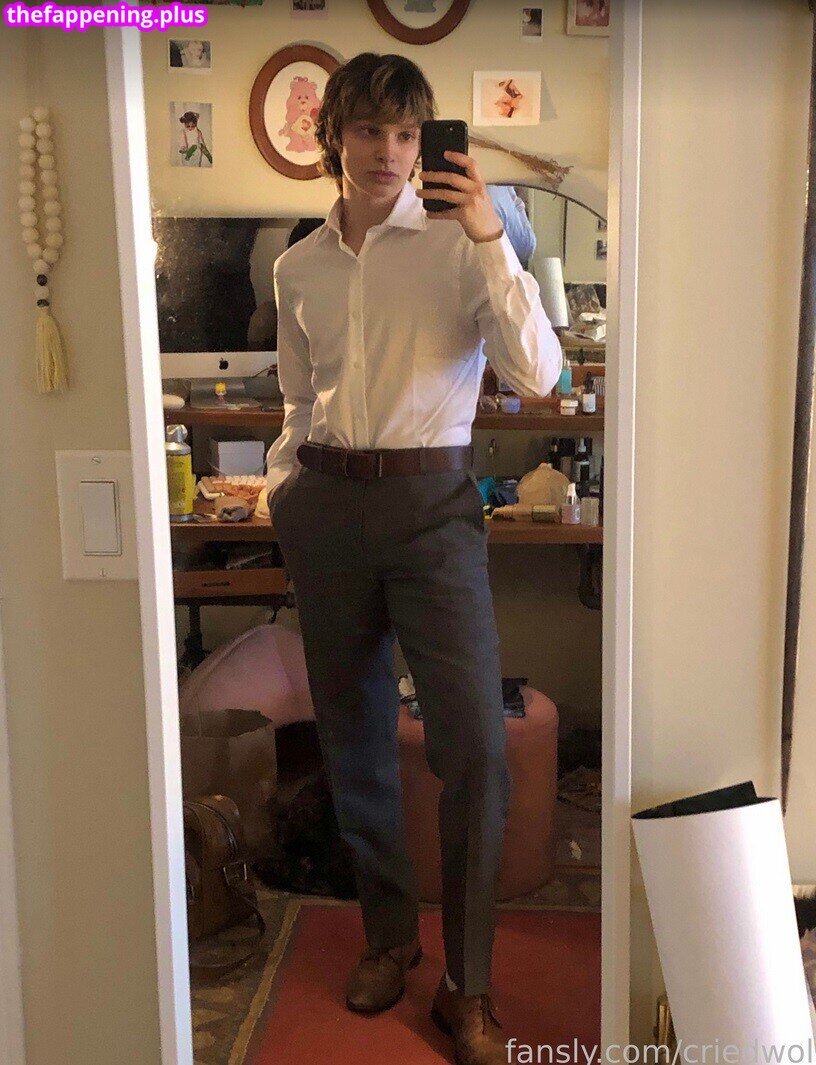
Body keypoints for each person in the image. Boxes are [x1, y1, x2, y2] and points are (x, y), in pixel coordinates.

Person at [265, 52, 561, 1065]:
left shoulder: (460, 244)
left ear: (425, 142)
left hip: (433, 509)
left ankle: (467, 986)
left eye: (405, 133)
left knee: (472, 743)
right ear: (332, 137)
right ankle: (388, 938)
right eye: (367, 130)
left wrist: (487, 235)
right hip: (326, 507)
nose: (387, 152)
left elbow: (537, 375)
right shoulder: (297, 267)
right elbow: (296, 398)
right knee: (351, 735)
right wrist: (284, 486)